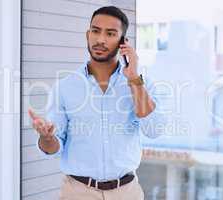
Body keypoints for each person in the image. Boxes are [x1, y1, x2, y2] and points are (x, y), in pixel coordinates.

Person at [28, 6, 164, 200]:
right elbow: (52, 147)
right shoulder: (65, 86)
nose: (100, 39)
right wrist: (47, 137)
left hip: (127, 193)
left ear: (123, 42)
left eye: (110, 33)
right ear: (87, 34)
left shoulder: (141, 83)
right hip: (78, 192)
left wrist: (133, 77)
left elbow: (154, 129)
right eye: (95, 31)